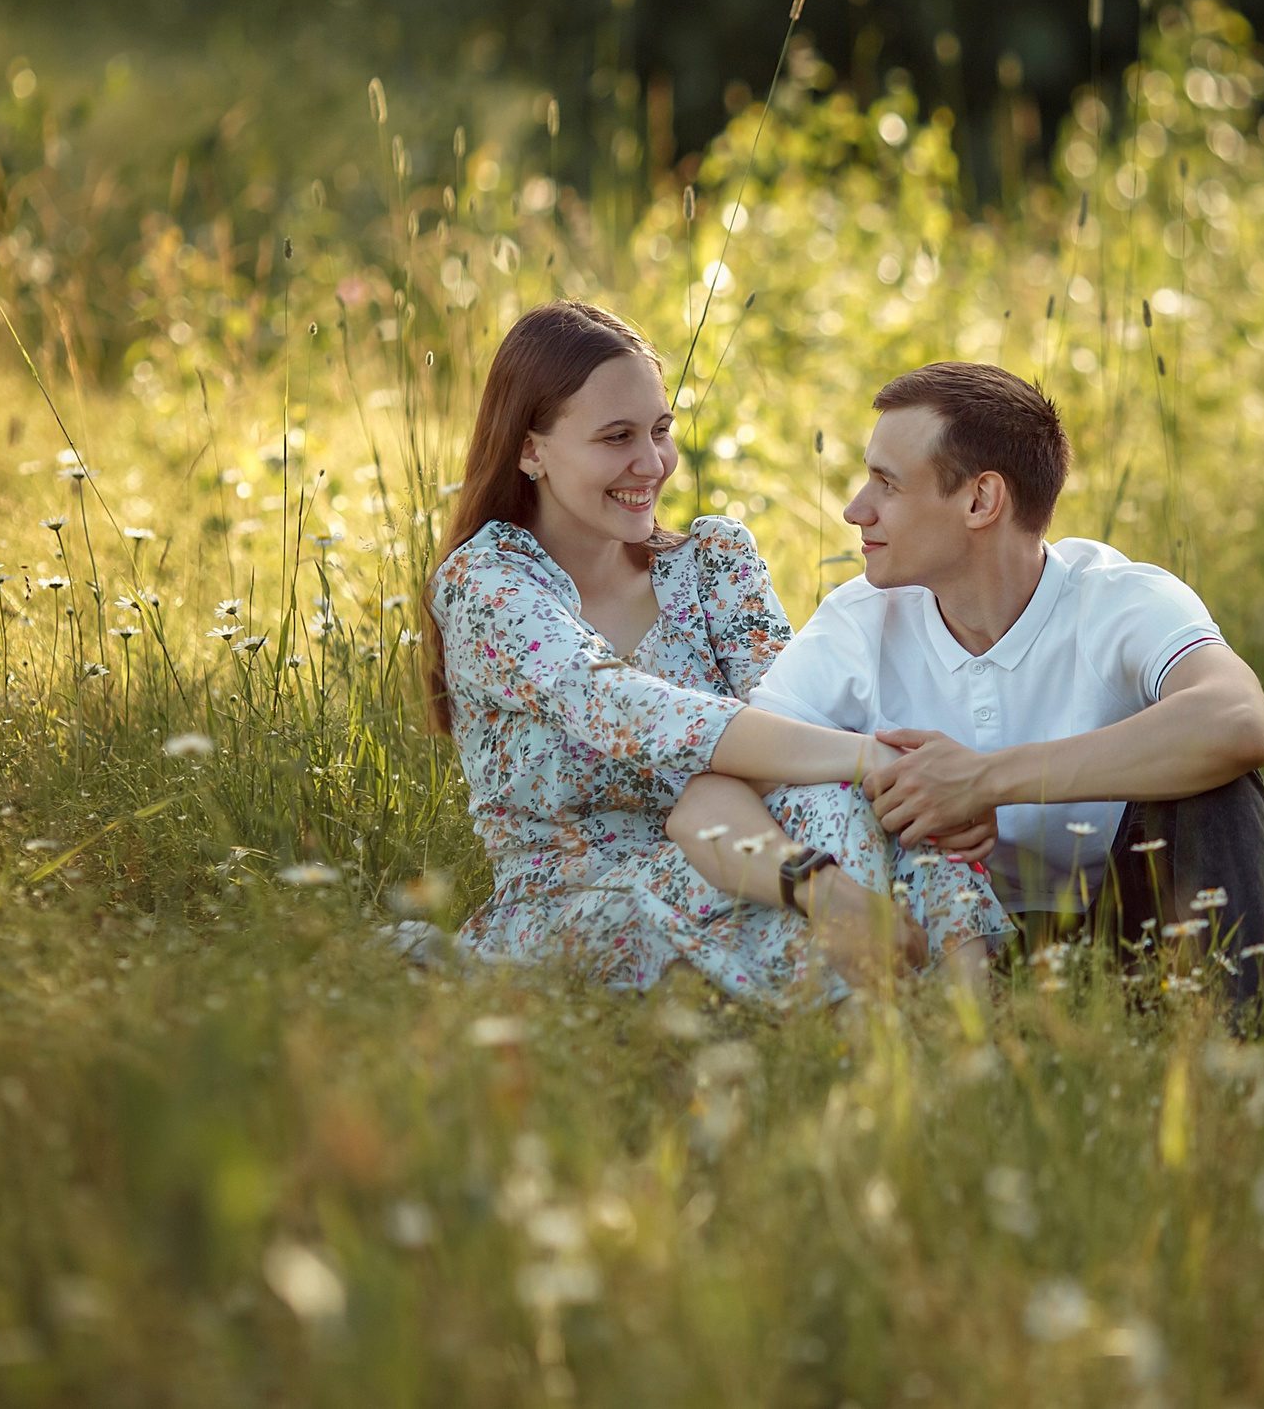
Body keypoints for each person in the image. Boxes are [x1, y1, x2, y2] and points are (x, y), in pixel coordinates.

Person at [704, 361, 1264, 1033]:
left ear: (980, 501)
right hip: (945, 953)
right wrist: (821, 883)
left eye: (887, 482)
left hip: (1142, 937)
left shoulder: (1119, 598)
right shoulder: (861, 621)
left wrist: (984, 781)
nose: (857, 508)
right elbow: (719, 773)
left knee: (1217, 786)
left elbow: (1238, 720)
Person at [424, 302, 1006, 1007]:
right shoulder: (487, 584)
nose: (652, 462)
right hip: (583, 899)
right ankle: (879, 1024)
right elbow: (626, 709)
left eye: (660, 430)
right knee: (831, 816)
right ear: (530, 449)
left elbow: (793, 723)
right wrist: (869, 760)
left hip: (748, 846)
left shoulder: (714, 562)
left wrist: (906, 782)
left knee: (852, 807)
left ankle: (961, 1024)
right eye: (616, 437)